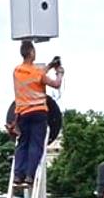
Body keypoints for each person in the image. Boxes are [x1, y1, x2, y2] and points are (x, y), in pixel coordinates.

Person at [11, 40, 64, 186]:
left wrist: (49, 66)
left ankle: (18, 175)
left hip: (22, 113)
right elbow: (55, 84)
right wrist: (59, 72)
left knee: (23, 144)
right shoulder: (37, 73)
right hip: (39, 112)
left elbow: (35, 76)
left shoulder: (17, 71)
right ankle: (29, 175)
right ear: (32, 53)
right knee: (36, 144)